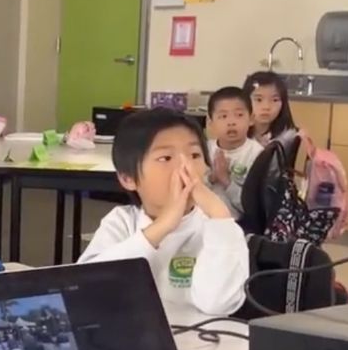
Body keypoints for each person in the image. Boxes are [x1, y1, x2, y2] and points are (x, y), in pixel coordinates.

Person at [77, 108, 248, 316]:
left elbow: (217, 304)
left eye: (194, 155)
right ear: (128, 178)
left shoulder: (218, 227)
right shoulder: (122, 222)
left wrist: (219, 215)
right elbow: (87, 288)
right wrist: (163, 226)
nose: (185, 168)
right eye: (165, 158)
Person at [205, 86, 264, 218]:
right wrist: (211, 178)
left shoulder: (258, 154)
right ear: (210, 122)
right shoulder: (204, 149)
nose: (231, 122)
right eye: (223, 116)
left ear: (251, 119)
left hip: (238, 224)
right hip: (202, 221)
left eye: (239, 115)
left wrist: (226, 181)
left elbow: (254, 206)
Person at [242, 70, 296, 145]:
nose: (266, 107)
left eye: (275, 100)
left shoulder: (287, 137)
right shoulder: (236, 131)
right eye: (259, 99)